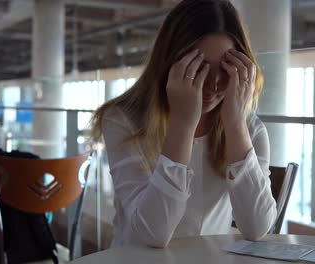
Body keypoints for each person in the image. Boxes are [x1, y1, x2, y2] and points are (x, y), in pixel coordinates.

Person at [90, 0, 276, 248]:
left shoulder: (248, 128)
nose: (214, 84)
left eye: (226, 69)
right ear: (169, 64)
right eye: (199, 69)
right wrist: (182, 124)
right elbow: (151, 235)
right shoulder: (123, 120)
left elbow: (257, 228)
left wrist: (235, 125)